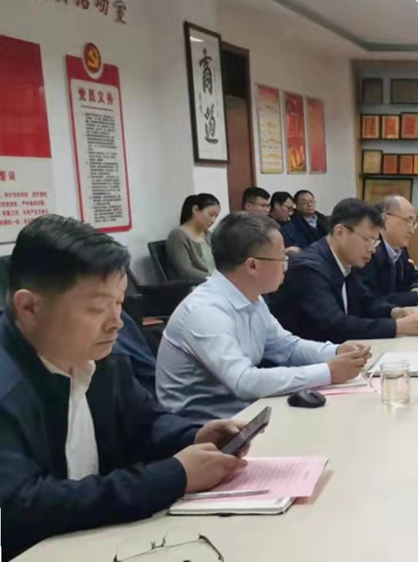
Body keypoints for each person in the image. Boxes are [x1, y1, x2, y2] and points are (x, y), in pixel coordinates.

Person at [0, 215, 252, 559]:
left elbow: (144, 422)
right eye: (97, 308)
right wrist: (172, 477)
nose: (116, 322)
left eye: (119, 303)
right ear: (29, 307)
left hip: (105, 540)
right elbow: (22, 508)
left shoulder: (102, 355)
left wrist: (193, 436)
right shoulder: (8, 386)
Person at [156, 213, 373, 423]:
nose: (286, 265)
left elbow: (287, 348)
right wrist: (327, 372)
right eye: (281, 258)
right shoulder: (204, 311)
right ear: (253, 265)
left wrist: (335, 351)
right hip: (207, 428)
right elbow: (243, 381)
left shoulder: (251, 297)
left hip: (247, 411)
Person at [269, 198, 418, 342]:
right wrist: (397, 326)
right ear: (340, 232)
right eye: (368, 240)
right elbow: (335, 325)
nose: (373, 249)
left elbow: (365, 301)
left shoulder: (347, 261)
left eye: (375, 242)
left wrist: (394, 312)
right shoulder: (309, 270)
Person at [166, 193, 220, 282]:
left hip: (213, 282)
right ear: (195, 210)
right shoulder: (178, 235)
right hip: (196, 285)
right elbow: (186, 271)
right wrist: (214, 279)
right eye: (211, 215)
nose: (213, 220)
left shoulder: (209, 235)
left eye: (216, 217)